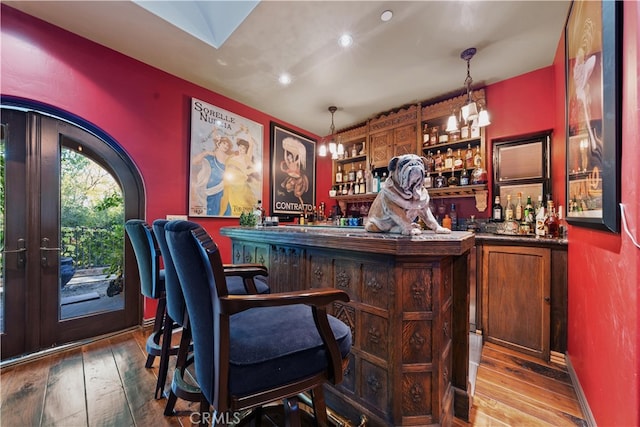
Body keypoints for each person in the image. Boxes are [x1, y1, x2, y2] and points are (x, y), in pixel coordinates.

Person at [192, 136, 233, 216]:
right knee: (213, 211)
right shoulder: (211, 156)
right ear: (218, 144)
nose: (226, 146)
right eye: (224, 143)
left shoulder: (229, 158)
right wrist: (205, 153)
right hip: (212, 189)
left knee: (226, 210)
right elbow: (194, 161)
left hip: (225, 189)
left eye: (227, 145)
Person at [280, 137, 309, 207]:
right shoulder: (289, 164)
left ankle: (302, 202)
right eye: (289, 158)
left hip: (296, 176)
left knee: (297, 192)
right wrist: (286, 150)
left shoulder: (293, 164)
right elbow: (285, 158)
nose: (290, 158)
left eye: (290, 157)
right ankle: (302, 204)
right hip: (294, 176)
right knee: (296, 191)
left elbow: (297, 159)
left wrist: (287, 150)